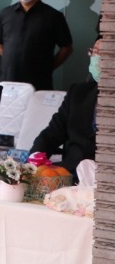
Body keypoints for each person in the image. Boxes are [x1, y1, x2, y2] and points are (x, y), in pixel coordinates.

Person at [29, 38, 100, 179]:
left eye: (103, 53)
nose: (96, 58)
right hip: (68, 175)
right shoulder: (78, 93)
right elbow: (51, 134)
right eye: (94, 52)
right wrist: (35, 159)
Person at [0, 0, 73, 90]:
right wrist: (12, 61)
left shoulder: (53, 16)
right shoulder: (5, 13)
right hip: (8, 82)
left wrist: (48, 67)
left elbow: (67, 48)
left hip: (38, 84)